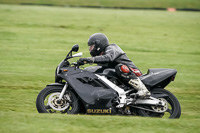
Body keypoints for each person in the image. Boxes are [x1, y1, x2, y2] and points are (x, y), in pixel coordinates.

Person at [77, 33, 151, 97]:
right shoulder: (101, 55)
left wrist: (89, 59)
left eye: (92, 46)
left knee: (120, 67)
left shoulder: (111, 48)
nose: (90, 49)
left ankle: (143, 90)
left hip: (133, 73)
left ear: (98, 44)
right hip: (122, 78)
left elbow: (108, 58)